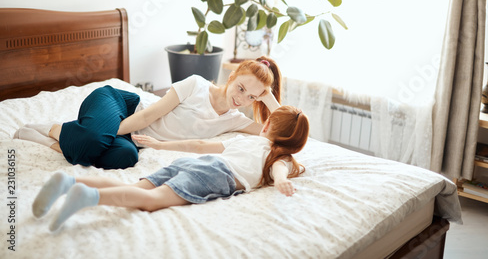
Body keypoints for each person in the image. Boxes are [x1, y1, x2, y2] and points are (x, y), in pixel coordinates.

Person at [31, 105, 309, 232]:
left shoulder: (247, 141)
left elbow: (201, 145)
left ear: (267, 126)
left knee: (135, 188)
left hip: (193, 163)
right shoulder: (278, 158)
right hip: (215, 175)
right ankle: (89, 197)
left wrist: (161, 146)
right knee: (151, 202)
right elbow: (279, 172)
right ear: (294, 145)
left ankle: (70, 182)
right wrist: (284, 179)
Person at [14, 56, 282, 169]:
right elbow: (147, 117)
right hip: (122, 106)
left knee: (126, 157)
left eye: (251, 96)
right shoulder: (196, 85)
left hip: (133, 140)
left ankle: (56, 140)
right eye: (241, 87)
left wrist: (268, 97)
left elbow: (283, 130)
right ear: (232, 75)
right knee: (95, 140)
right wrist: (104, 133)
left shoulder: (236, 120)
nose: (241, 98)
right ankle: (53, 128)